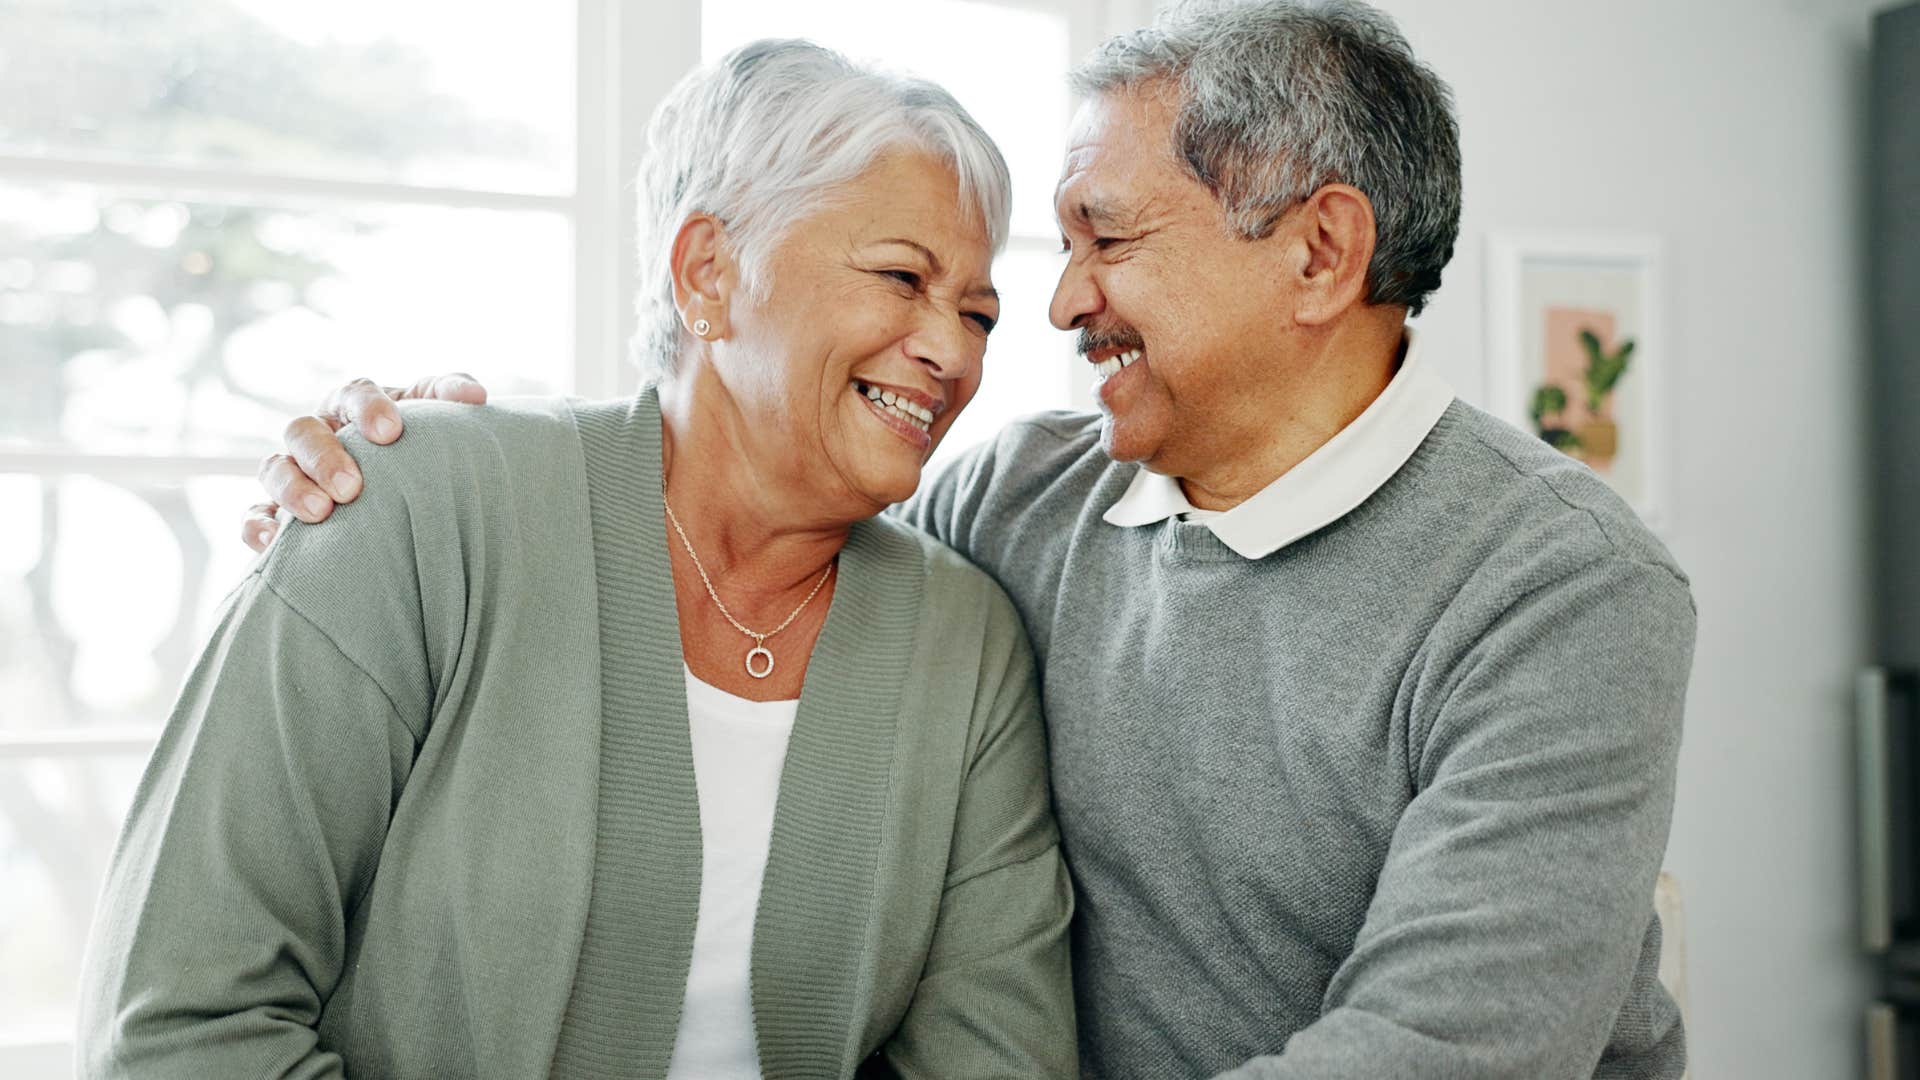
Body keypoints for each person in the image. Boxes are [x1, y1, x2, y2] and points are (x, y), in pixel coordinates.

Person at [244, 1, 1697, 1076]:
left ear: (1319, 254)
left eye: (1106, 240)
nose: (1059, 308)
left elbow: (1439, 1053)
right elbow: (744, 472)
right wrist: (429, 457)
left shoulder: (1563, 591)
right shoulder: (1012, 503)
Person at [78, 40, 1077, 1080]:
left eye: (977, 313)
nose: (953, 353)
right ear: (709, 274)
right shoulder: (419, 507)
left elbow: (998, 1059)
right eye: (901, 277)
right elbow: (178, 1027)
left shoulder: (966, 641)